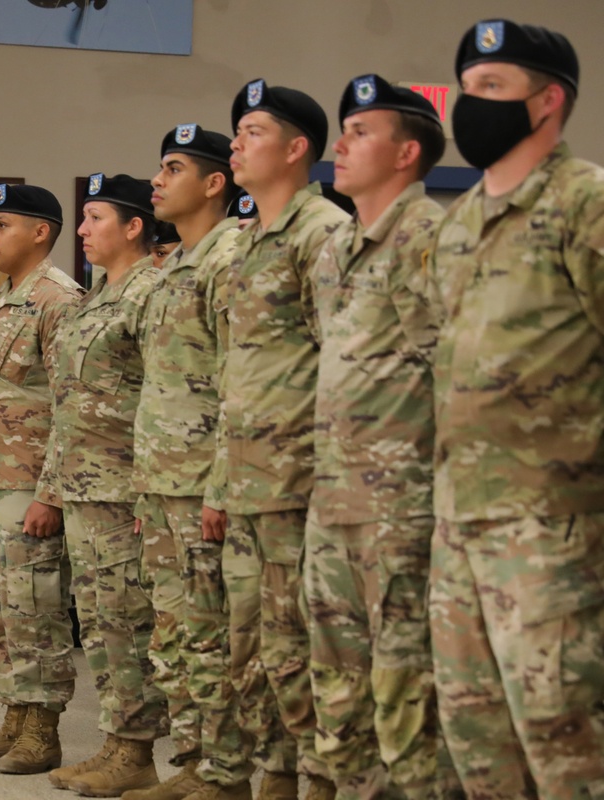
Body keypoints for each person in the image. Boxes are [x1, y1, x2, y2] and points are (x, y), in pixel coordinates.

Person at [429, 20, 604, 798]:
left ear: (549, 101)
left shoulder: (584, 202)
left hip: (550, 524)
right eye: (466, 89)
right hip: (458, 518)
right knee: (473, 732)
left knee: (561, 731)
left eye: (493, 88)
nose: (473, 105)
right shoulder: (459, 223)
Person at [302, 75, 461, 798]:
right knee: (337, 686)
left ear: (408, 153)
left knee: (405, 688)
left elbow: (453, 373)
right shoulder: (339, 249)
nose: (342, 143)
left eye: (360, 131)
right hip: (334, 499)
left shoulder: (428, 240)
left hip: (401, 507)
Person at [209, 80, 349, 800]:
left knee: (305, 645)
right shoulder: (244, 243)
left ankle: (318, 781)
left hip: (299, 482)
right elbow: (238, 370)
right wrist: (217, 484)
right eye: (237, 130)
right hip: (247, 481)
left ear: (298, 149)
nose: (236, 141)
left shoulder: (323, 233)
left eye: (254, 130)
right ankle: (276, 775)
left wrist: (332, 480)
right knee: (253, 646)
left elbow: (341, 363)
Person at [127, 124, 247, 800]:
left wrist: (222, 486)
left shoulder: (229, 258)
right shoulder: (171, 266)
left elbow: (239, 378)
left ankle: (227, 773)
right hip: (160, 479)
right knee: (176, 630)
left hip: (203, 479)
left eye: (173, 167)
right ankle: (199, 758)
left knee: (210, 630)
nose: (158, 180)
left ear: (213, 182)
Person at [0, 183, 82, 775]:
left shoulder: (59, 301)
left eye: (2, 224)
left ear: (41, 232)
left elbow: (71, 403)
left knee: (35, 609)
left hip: (31, 489)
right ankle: (14, 718)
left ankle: (43, 731)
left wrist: (51, 494)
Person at [44, 173, 167, 796]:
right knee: (96, 622)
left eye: (95, 218)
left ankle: (138, 749)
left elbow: (164, 397)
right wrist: (54, 485)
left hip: (124, 488)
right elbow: (66, 403)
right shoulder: (94, 298)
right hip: (84, 487)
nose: (84, 230)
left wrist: (152, 489)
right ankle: (118, 740)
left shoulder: (151, 291)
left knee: (128, 620)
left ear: (134, 225)